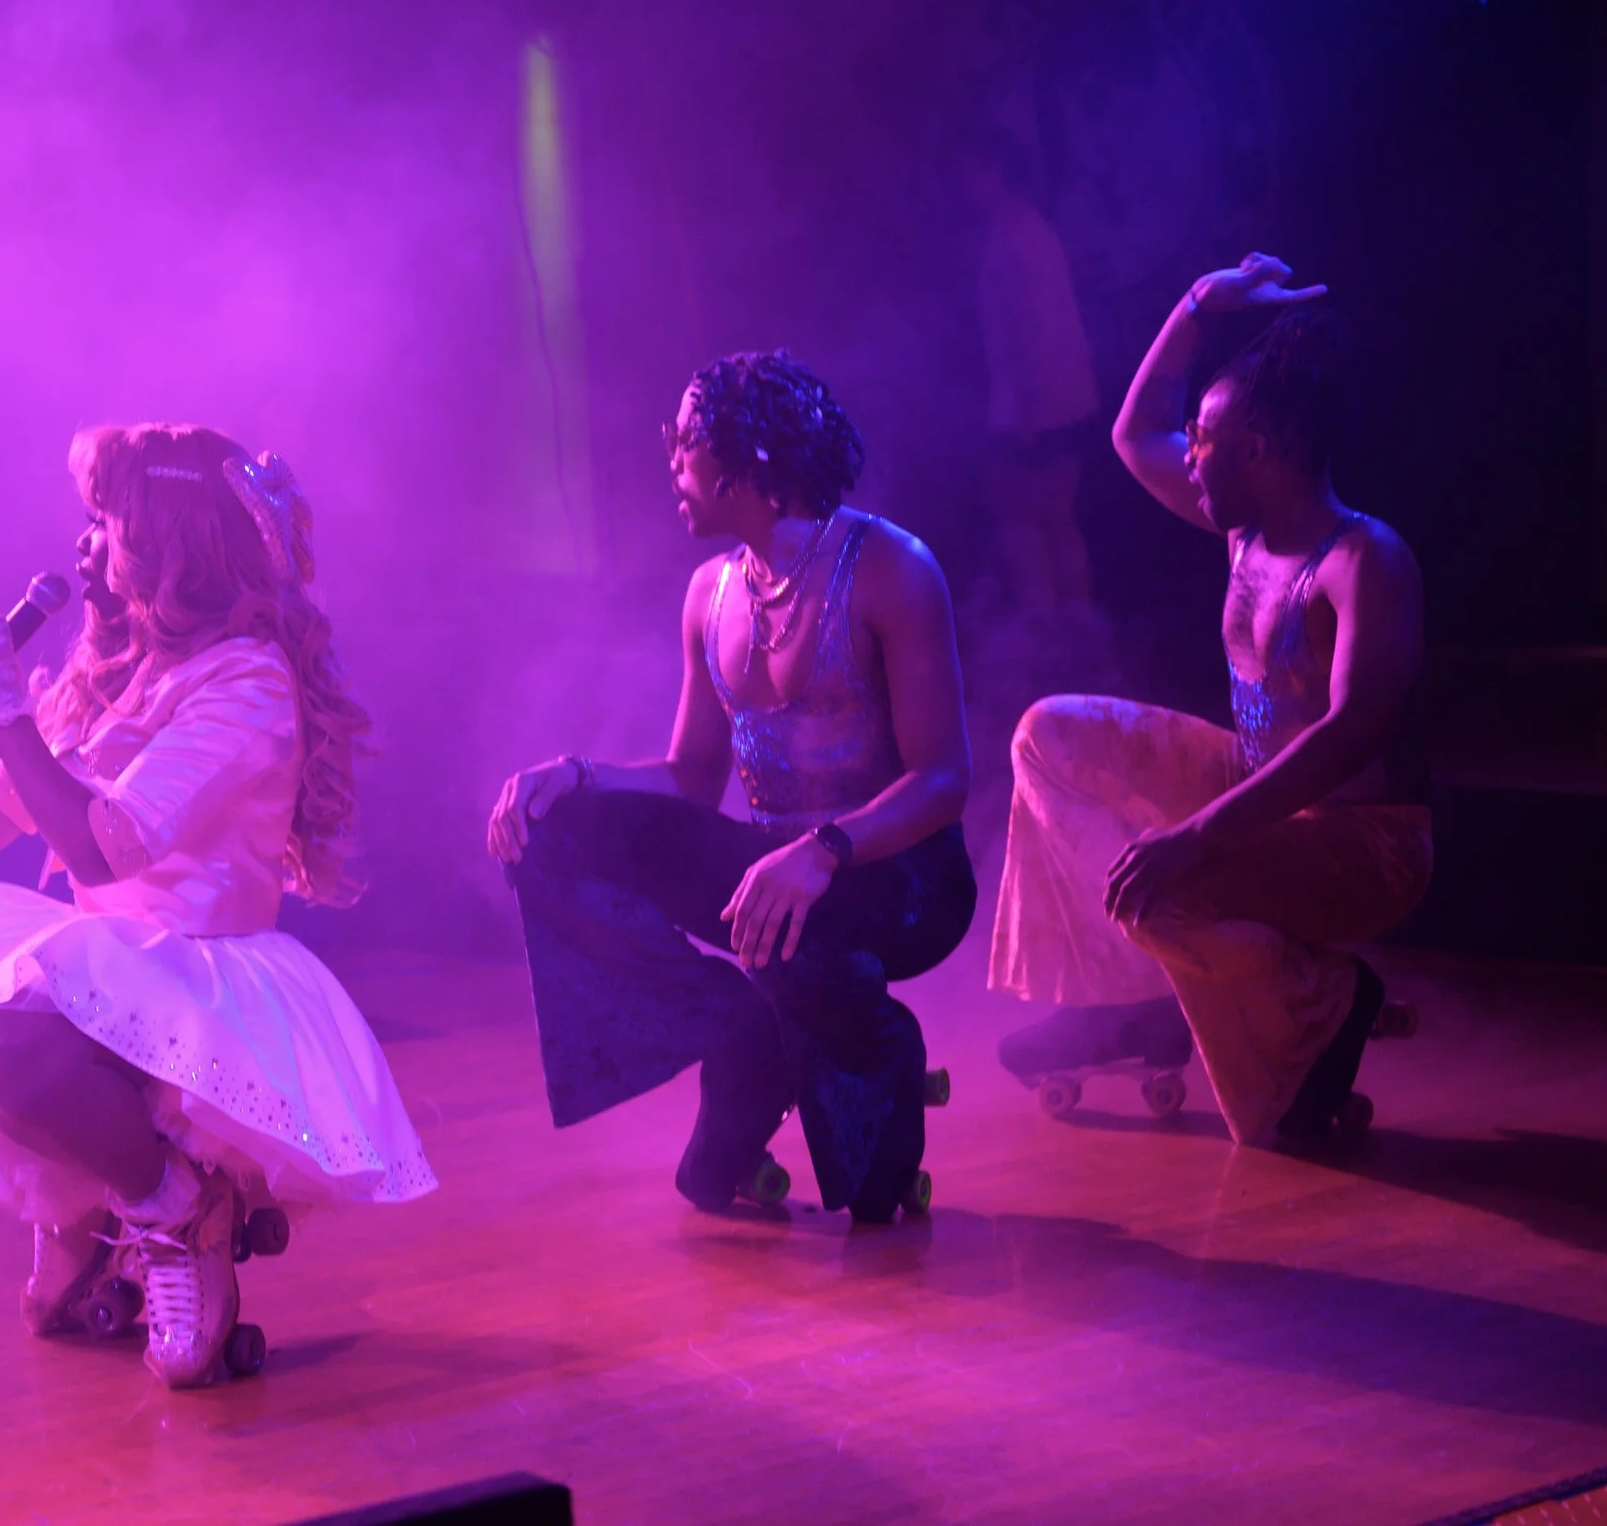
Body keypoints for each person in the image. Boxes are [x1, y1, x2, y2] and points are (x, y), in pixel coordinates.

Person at [0, 425, 434, 1389]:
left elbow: (101, 842)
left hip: (204, 975)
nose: (82, 548)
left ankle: (178, 1210)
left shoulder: (244, 682)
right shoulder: (118, 667)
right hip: (111, 961)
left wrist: (4, 717)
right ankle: (104, 1225)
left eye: (106, 525)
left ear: (171, 549)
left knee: (5, 1036)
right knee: (48, 1302)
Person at [489, 352, 975, 1225]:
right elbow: (690, 779)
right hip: (775, 877)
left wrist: (824, 852)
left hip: (900, 875)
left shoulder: (891, 568)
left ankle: (876, 1041)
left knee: (867, 1194)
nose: (669, 461)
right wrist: (574, 776)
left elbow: (943, 781)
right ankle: (739, 1021)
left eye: (683, 442)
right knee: (557, 832)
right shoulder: (709, 592)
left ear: (746, 456)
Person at [987, 254, 1431, 1144]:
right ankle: (1129, 1002)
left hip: (1361, 841)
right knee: (1046, 738)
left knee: (1168, 906)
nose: (1186, 455)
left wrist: (1196, 835)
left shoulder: (1363, 560)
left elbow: (1351, 733)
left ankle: (1331, 1000)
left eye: (1203, 438)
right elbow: (1128, 432)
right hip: (1255, 786)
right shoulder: (1241, 532)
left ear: (1259, 452)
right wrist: (1199, 304)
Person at [953, 128, 1102, 624]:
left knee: (1022, 523)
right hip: (1063, 401)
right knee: (1058, 522)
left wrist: (1026, 407)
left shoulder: (1011, 234)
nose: (964, 182)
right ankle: (1078, 633)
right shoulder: (1030, 226)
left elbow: (1027, 322)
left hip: (1031, 407)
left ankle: (1045, 635)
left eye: (972, 169)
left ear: (994, 169)